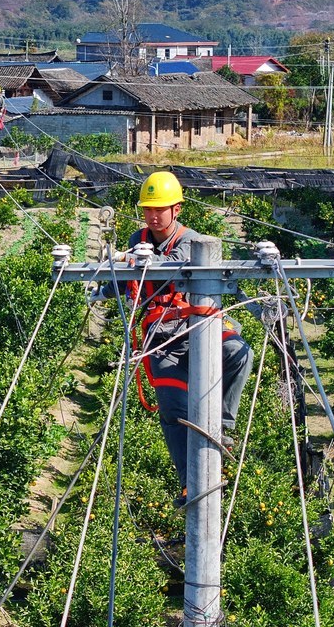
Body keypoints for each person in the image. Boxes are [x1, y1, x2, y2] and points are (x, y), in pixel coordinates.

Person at [99, 171, 254, 508]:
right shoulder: (136, 239)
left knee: (238, 353)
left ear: (177, 209)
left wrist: (138, 260)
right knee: (171, 406)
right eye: (149, 210)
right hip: (162, 337)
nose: (153, 217)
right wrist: (105, 282)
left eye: (160, 209)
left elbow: (172, 264)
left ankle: (223, 426)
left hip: (198, 325)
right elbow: (127, 279)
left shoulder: (190, 241)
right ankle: (190, 481)